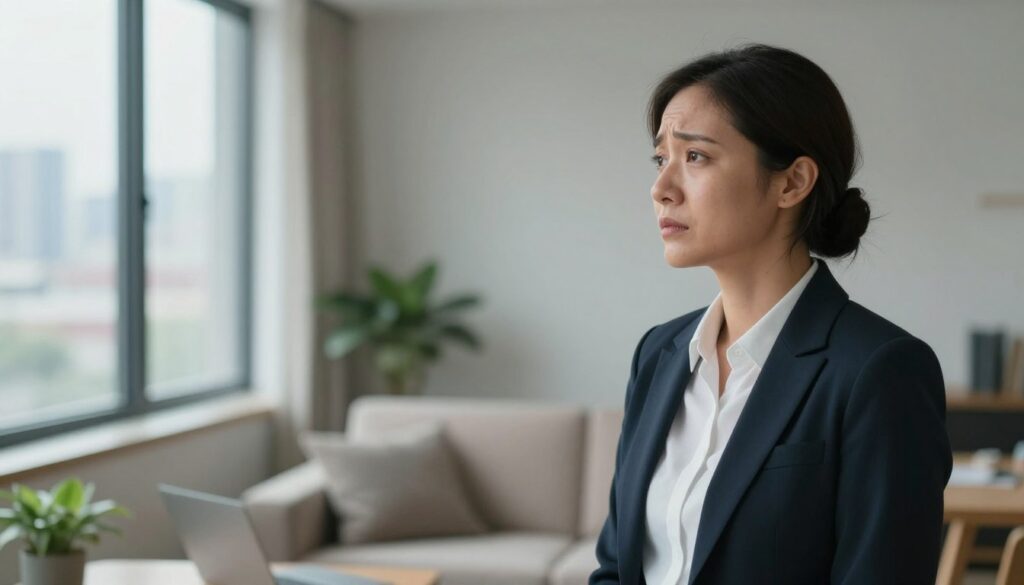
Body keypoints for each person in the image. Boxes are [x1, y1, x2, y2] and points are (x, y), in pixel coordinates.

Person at [589, 43, 952, 585]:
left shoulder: (879, 370)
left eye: (696, 157)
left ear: (792, 182)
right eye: (661, 159)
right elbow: (617, 570)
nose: (661, 189)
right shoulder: (658, 355)